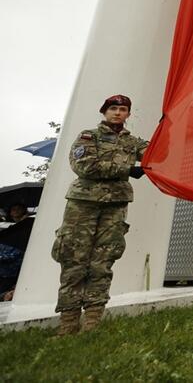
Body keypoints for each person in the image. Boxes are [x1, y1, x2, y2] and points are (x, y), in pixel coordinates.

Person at [53, 95, 148, 335]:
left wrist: (167, 125)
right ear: (104, 112)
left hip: (115, 205)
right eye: (113, 108)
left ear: (128, 114)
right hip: (83, 205)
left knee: (103, 262)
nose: (117, 113)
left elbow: (159, 154)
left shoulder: (133, 142)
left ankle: (92, 325)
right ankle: (68, 326)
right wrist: (127, 169)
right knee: (74, 260)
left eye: (123, 109)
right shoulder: (88, 136)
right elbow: (84, 166)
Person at [0, 203, 34, 301]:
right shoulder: (8, 229)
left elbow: (16, 254)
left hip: (10, 273)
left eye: (18, 209)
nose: (15, 212)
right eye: (13, 209)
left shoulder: (26, 226)